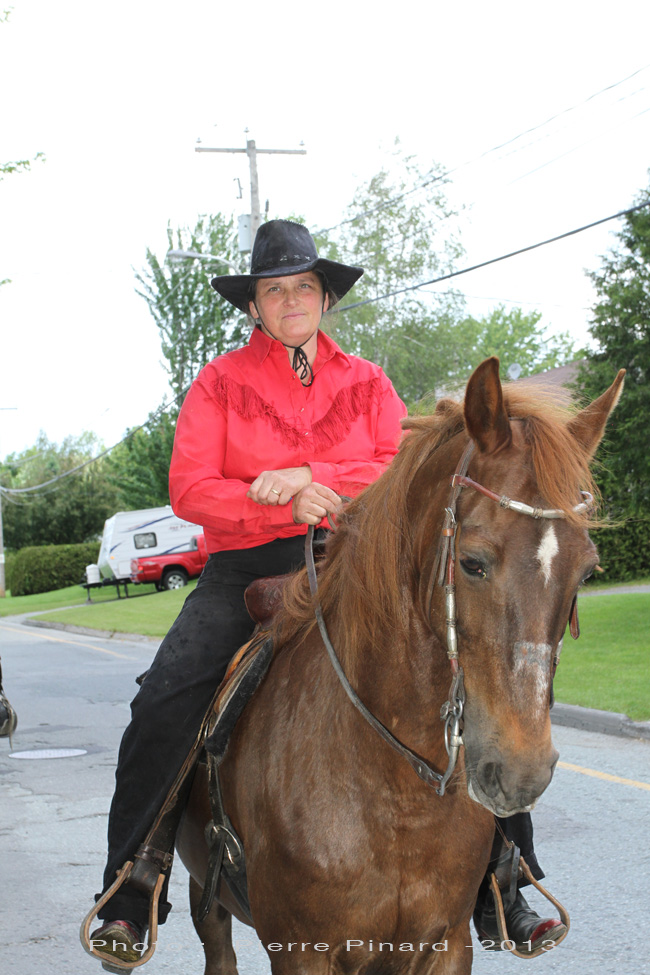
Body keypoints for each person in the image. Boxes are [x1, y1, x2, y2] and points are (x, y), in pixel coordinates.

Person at [89, 220, 562, 968]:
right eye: (274, 290)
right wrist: (272, 502)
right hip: (248, 567)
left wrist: (317, 484)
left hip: (358, 556)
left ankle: (507, 877)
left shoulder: (369, 381)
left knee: (465, 673)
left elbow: (398, 466)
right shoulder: (218, 382)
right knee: (164, 697)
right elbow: (190, 487)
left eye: (303, 286)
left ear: (324, 298)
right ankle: (133, 879)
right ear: (256, 307)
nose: (290, 300)